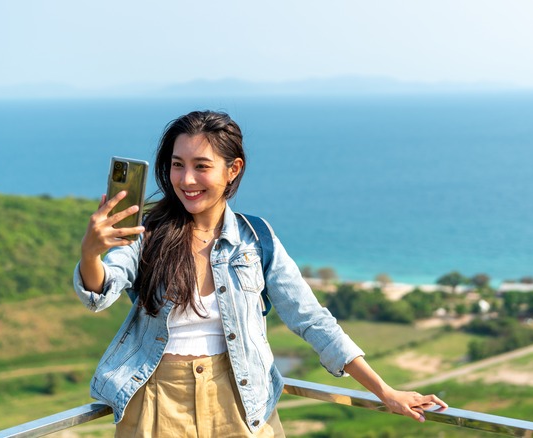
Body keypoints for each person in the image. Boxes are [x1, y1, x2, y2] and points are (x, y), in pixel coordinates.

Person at [74, 110, 447, 437]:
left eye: (201, 166)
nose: (186, 179)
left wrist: (385, 391)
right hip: (157, 403)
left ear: (232, 169)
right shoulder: (148, 235)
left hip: (240, 402)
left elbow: (312, 319)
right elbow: (101, 290)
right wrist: (91, 252)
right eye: (177, 164)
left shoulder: (256, 240)